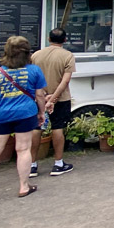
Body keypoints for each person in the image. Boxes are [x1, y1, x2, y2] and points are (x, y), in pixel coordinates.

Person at [0, 36, 46, 201]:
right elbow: (40, 95)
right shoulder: (34, 71)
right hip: (26, 113)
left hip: (0, 116)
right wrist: (41, 112)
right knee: (23, 149)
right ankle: (23, 186)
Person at [30, 27, 75, 178]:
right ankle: (58, 163)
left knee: (37, 128)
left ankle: (32, 165)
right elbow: (66, 80)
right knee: (58, 127)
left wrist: (43, 95)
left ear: (49, 39)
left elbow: (32, 78)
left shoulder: (36, 55)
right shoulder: (67, 55)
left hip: (39, 97)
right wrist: (54, 97)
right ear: (65, 40)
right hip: (61, 98)